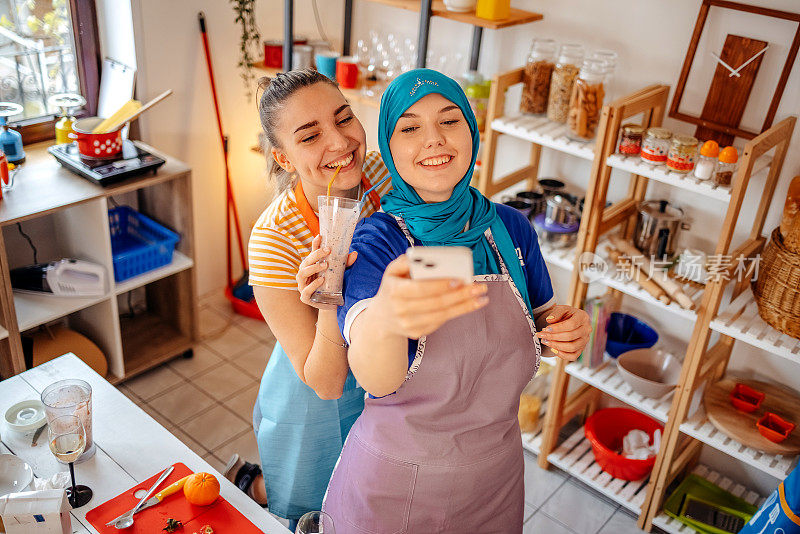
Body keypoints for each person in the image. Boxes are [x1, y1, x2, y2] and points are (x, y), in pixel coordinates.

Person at [322, 69, 592, 533]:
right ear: (388, 146)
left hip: (495, 481)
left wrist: (566, 329)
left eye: (450, 121)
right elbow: (375, 376)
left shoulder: (511, 229)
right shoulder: (377, 241)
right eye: (409, 127)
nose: (434, 140)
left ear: (472, 129)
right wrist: (387, 318)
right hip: (396, 487)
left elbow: (539, 327)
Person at [226, 69, 391, 529]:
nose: (340, 143)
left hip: (389, 367)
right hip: (316, 388)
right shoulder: (274, 237)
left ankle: (253, 481)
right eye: (310, 135)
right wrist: (325, 303)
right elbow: (324, 384)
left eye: (344, 119)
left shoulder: (381, 175)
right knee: (308, 503)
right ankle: (250, 485)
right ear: (282, 156)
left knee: (369, 496)